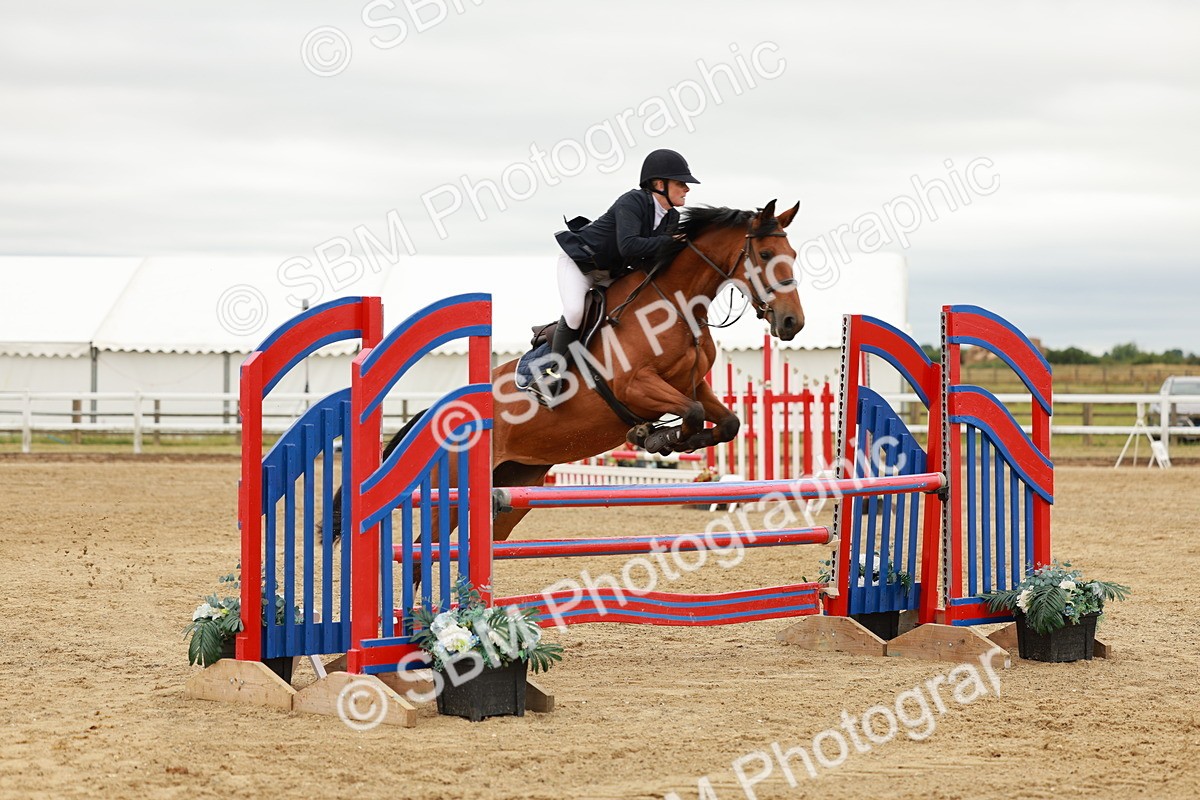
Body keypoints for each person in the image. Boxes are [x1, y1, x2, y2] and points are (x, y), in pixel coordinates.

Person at [537, 148, 700, 399]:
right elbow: (630, 245)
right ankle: (550, 376)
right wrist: (670, 243)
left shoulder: (672, 217)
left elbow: (653, 257)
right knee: (574, 312)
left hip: (614, 272)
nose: (687, 189)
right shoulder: (632, 201)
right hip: (581, 265)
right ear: (659, 184)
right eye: (681, 183)